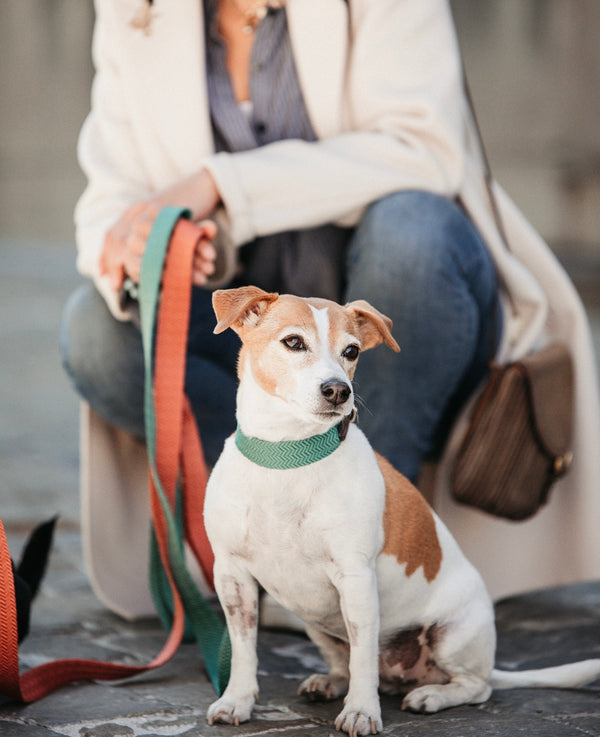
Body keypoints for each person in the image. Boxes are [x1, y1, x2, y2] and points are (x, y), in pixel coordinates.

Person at [61, 0, 600, 620]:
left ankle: (377, 553)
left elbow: (422, 147)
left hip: (406, 307)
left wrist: (219, 186)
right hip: (249, 323)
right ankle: (268, 548)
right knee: (96, 331)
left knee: (412, 236)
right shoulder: (134, 9)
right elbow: (111, 197)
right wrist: (133, 245)